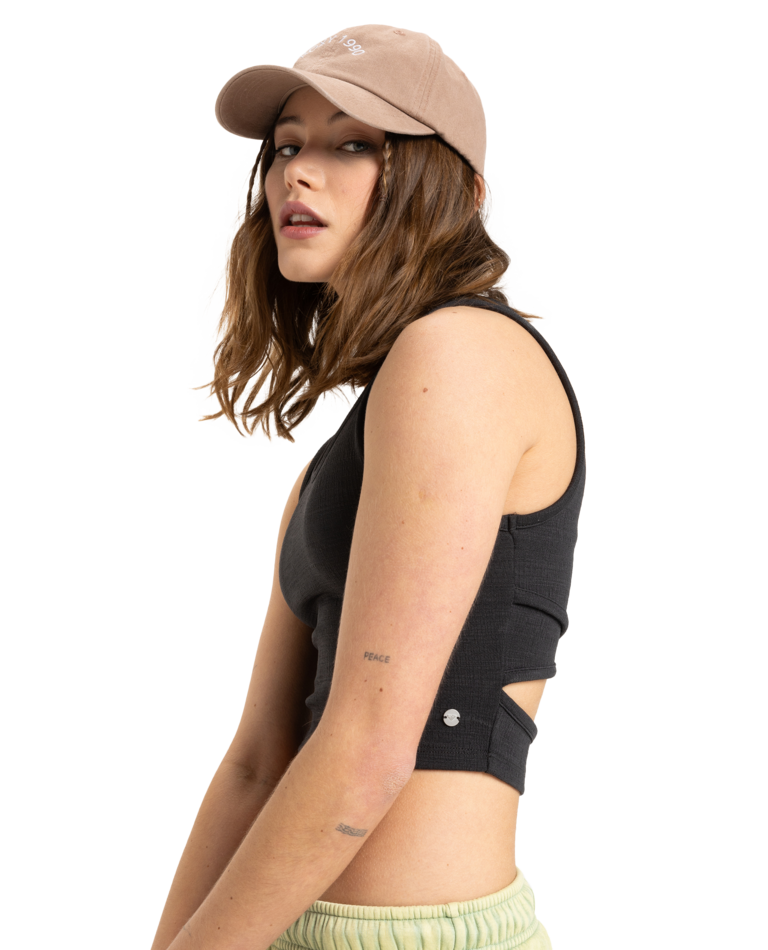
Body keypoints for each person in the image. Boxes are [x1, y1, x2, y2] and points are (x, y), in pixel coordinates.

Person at [156, 22, 585, 950]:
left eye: (353, 145)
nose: (298, 175)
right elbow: (257, 761)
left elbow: (367, 752)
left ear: (453, 188)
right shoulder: (344, 449)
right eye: (287, 147)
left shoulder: (460, 353)